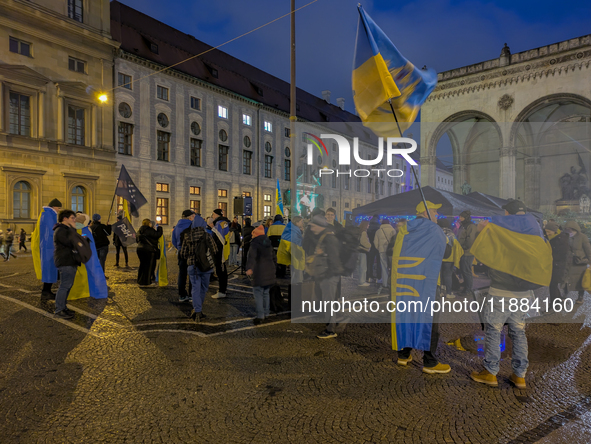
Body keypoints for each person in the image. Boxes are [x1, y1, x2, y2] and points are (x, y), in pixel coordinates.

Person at [470, 200, 552, 389]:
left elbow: (482, 255)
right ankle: (519, 375)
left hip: (500, 289)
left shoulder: (499, 228)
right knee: (518, 332)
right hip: (524, 292)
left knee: (493, 330)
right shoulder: (535, 229)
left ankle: (490, 373)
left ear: (506, 212)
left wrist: (482, 231)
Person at [395, 201, 451, 374]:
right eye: (434, 211)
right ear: (426, 213)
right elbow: (447, 253)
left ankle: (403, 355)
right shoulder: (434, 230)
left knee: (408, 316)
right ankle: (430, 362)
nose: (437, 215)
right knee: (429, 320)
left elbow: (394, 251)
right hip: (428, 282)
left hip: (407, 282)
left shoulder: (405, 229)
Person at [307, 215, 344, 339]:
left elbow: (334, 259)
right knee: (327, 301)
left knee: (328, 302)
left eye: (313, 226)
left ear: (319, 226)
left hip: (328, 276)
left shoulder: (329, 238)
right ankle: (335, 321)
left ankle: (330, 330)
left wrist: (327, 276)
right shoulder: (324, 236)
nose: (311, 228)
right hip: (325, 275)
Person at [182, 214, 218, 322]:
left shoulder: (187, 236)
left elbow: (183, 253)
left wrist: (190, 257)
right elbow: (215, 250)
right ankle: (198, 309)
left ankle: (197, 310)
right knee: (203, 288)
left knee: (195, 289)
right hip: (206, 267)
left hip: (193, 266)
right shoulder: (207, 235)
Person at [246, 224, 277, 324]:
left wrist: (250, 268)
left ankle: (260, 315)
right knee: (266, 293)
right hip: (269, 271)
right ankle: (266, 313)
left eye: (253, 234)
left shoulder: (255, 243)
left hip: (259, 272)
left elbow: (252, 257)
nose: (252, 236)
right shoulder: (268, 242)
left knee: (258, 293)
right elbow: (274, 258)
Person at [53, 210, 81, 319]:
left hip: (70, 260)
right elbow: (71, 242)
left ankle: (63, 307)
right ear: (65, 219)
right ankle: (59, 310)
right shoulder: (60, 230)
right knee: (64, 286)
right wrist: (74, 229)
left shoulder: (66, 230)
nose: (74, 220)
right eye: (72, 218)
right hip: (65, 261)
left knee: (68, 286)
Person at [32, 198, 62, 297]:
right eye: (58, 208)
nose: (59, 210)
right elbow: (51, 231)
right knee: (50, 268)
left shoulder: (46, 214)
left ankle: (46, 291)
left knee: (50, 268)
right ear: (54, 207)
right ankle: (46, 291)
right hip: (49, 247)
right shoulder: (49, 214)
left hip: (47, 246)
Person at [564, 220, 591, 303]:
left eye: (570, 229)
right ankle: (565, 295)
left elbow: (588, 250)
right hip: (568, 262)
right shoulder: (565, 236)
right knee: (566, 279)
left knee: (580, 280)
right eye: (567, 229)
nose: (569, 230)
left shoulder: (582, 237)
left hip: (579, 262)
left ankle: (580, 297)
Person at [545, 221, 570, 307]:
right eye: (546, 231)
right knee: (553, 285)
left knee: (553, 285)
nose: (547, 233)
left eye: (549, 231)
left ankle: (554, 306)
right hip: (554, 265)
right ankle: (557, 301)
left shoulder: (561, 239)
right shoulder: (554, 237)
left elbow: (563, 255)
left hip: (558, 266)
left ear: (555, 230)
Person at [172, 210, 195, 302]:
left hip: (181, 252)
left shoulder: (177, 226)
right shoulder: (192, 225)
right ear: (190, 217)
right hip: (191, 252)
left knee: (182, 274)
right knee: (192, 274)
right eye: (193, 216)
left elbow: (173, 241)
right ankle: (191, 295)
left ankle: (182, 295)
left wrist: (179, 247)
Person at [438, 217, 463, 298]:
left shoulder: (436, 233)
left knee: (440, 275)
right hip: (449, 258)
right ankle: (448, 293)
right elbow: (457, 246)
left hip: (438, 257)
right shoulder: (451, 234)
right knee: (448, 275)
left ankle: (440, 292)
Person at [136, 219, 162, 287]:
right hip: (149, 250)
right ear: (148, 223)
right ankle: (147, 282)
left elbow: (137, 239)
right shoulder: (149, 230)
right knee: (149, 266)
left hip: (140, 249)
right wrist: (159, 228)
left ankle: (140, 281)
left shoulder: (140, 230)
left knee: (142, 265)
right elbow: (157, 235)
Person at [211, 209, 230, 299]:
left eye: (213, 214)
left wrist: (215, 250)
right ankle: (223, 289)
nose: (212, 216)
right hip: (223, 249)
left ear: (217, 215)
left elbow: (218, 239)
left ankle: (222, 291)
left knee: (220, 270)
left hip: (219, 251)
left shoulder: (219, 224)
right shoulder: (224, 222)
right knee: (222, 270)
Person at [457, 210, 477, 295]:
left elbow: (470, 238)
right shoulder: (463, 226)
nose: (460, 218)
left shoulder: (470, 226)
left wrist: (465, 247)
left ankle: (468, 289)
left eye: (462, 217)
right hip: (463, 250)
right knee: (463, 269)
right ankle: (466, 285)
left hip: (467, 251)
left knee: (466, 270)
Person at [374, 220, 396, 290]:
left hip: (382, 251)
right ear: (389, 223)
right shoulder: (393, 230)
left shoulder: (378, 231)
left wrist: (379, 248)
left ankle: (385, 283)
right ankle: (392, 282)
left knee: (384, 267)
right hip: (391, 251)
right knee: (392, 266)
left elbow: (375, 242)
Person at [366, 214, 381, 283]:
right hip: (377, 247)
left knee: (370, 262)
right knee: (378, 262)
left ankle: (369, 276)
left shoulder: (369, 226)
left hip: (370, 246)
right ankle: (378, 277)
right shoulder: (379, 227)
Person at [357, 221, 372, 286]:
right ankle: (362, 281)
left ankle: (360, 280)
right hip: (363, 250)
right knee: (363, 267)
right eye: (368, 224)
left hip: (358, 250)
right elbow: (363, 241)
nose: (368, 226)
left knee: (359, 266)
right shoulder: (364, 232)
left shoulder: (359, 231)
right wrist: (369, 245)